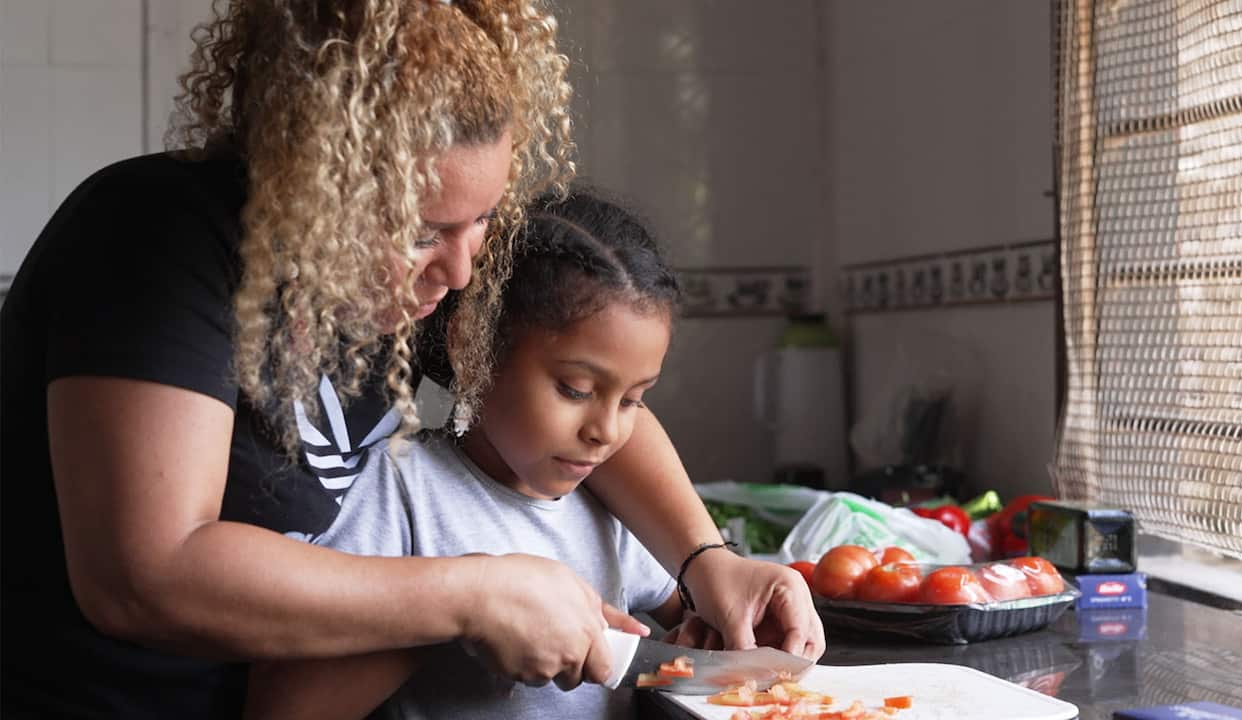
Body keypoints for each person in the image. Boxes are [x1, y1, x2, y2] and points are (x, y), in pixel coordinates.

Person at [0, 1, 823, 718]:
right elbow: (145, 575)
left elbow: (573, 393)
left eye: (482, 222)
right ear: (315, 182)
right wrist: (472, 594)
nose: (462, 272)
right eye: (421, 231)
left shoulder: (418, 284)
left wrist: (708, 560)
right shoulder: (154, 236)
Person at [247, 188, 689, 720]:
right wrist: (458, 621)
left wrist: (722, 620)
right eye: (574, 389)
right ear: (471, 345)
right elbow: (285, 708)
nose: (607, 431)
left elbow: (691, 628)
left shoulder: (610, 502)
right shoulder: (399, 491)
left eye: (634, 400)